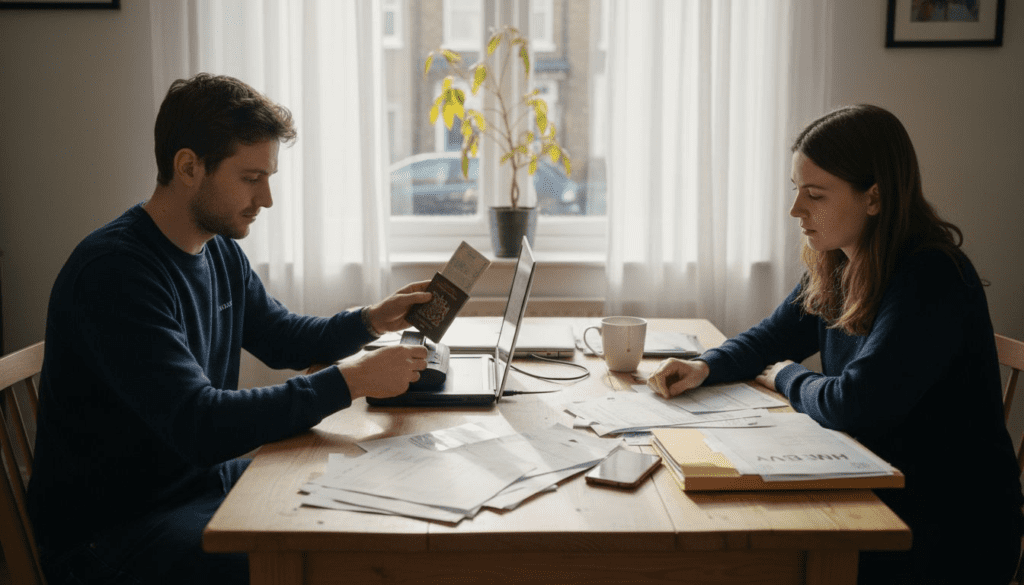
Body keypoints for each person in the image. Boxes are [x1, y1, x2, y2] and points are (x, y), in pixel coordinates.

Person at [27, 73, 433, 585]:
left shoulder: (217, 250)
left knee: (359, 482)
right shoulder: (115, 274)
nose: (266, 198)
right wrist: (352, 381)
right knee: (322, 557)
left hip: (194, 487)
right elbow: (201, 425)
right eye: (250, 178)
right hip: (111, 534)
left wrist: (370, 320)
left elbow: (282, 336)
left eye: (268, 178)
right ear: (188, 167)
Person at [648, 104, 1023, 584]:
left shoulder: (930, 277)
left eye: (815, 194)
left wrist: (787, 376)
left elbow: (854, 404)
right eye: (795, 190)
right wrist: (705, 366)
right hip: (872, 483)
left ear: (874, 198)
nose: (796, 210)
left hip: (947, 526)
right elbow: (774, 336)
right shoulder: (841, 260)